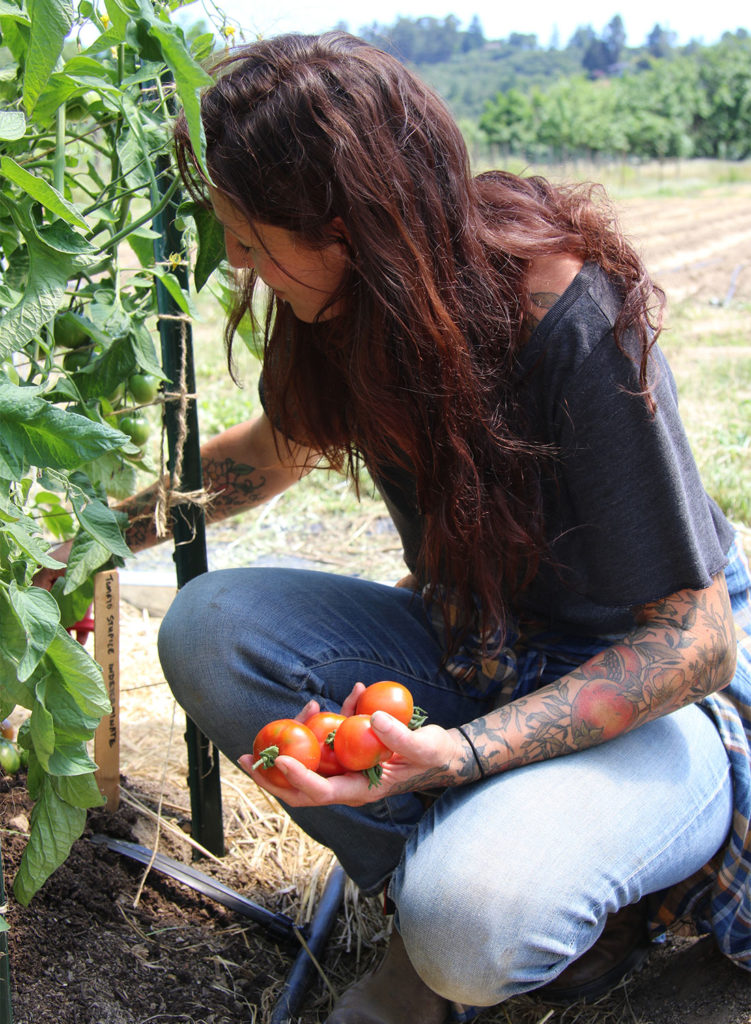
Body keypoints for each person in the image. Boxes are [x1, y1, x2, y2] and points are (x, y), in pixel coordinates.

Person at [59, 31, 751, 1024]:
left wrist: (461, 759)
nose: (241, 265)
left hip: (650, 692)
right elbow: (265, 458)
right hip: (481, 643)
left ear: (343, 224)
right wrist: (88, 538)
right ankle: (482, 883)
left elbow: (693, 643)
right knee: (210, 628)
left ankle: (472, 933)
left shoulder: (564, 315)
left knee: (469, 924)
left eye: (252, 238)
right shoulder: (354, 310)